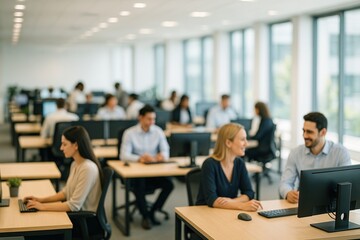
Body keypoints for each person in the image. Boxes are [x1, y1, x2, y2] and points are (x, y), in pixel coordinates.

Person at [24, 126, 103, 237]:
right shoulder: (75, 164)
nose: (61, 148)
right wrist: (40, 200)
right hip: (75, 216)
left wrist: (43, 207)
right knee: (34, 225)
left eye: (64, 144)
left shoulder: (88, 168)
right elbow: (65, 193)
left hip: (85, 222)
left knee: (35, 232)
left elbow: (74, 206)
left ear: (76, 145)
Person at [120, 105, 174, 230]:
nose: (152, 122)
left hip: (153, 172)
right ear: (140, 118)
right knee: (140, 184)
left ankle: (152, 211)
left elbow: (166, 151)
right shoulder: (130, 133)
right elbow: (123, 155)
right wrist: (140, 158)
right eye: (149, 119)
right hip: (135, 174)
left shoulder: (158, 131)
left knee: (169, 185)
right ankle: (145, 216)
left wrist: (162, 156)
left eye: (153, 119)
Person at [279, 112, 351, 203]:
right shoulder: (295, 153)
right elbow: (285, 182)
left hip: (331, 205)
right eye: (303, 131)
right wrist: (288, 193)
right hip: (304, 204)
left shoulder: (340, 153)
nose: (304, 135)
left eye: (309, 132)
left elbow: (347, 186)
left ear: (323, 132)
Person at [196, 123, 262, 211]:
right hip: (205, 214)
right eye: (242, 139)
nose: (246, 144)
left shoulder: (239, 163)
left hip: (227, 212)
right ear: (228, 143)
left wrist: (232, 202)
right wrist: (241, 205)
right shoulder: (209, 164)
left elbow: (249, 193)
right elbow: (212, 200)